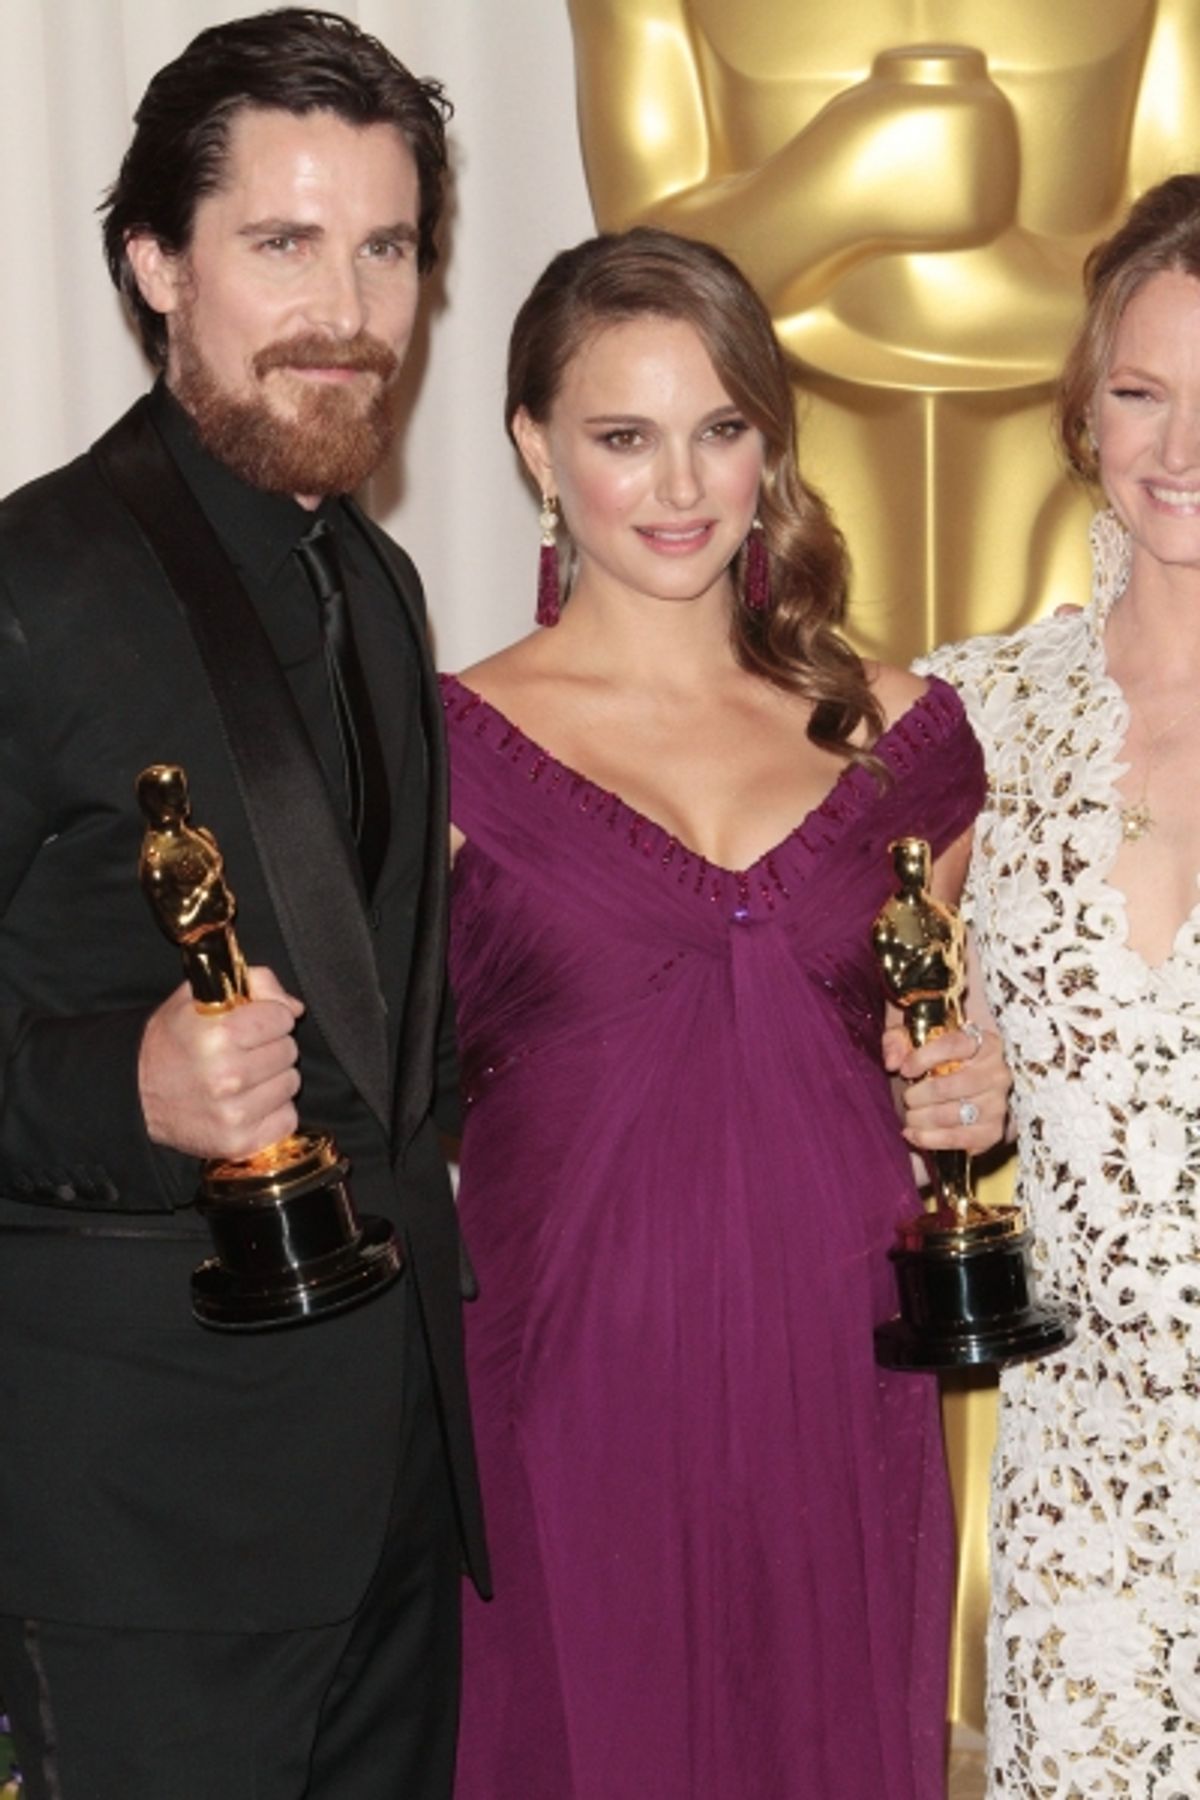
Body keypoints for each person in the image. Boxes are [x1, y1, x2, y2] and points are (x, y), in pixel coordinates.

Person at [441, 226, 1008, 1799]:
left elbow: (931, 1050)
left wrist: (969, 1092)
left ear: (770, 443)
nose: (681, 486)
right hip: (569, 1398)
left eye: (721, 429)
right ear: (535, 450)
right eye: (624, 437)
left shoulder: (909, 741)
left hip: (838, 1382)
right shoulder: (439, 751)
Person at [0, 11, 488, 1799]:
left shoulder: (378, 580)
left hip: (388, 1503)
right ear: (154, 263)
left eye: (385, 247)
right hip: (142, 1528)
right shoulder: (32, 586)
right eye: (282, 244)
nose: (345, 310)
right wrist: (118, 1090)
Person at [915, 173, 1200, 1796]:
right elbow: (875, 1065)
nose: (1182, 450)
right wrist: (938, 1093)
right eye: (1145, 392)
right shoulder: (976, 716)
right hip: (1082, 1483)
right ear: (1083, 413)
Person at [565, 0, 1200, 663]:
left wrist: (916, 284)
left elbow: (1179, 262)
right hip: (776, 528)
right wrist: (846, 183)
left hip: (1087, 522)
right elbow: (639, 289)